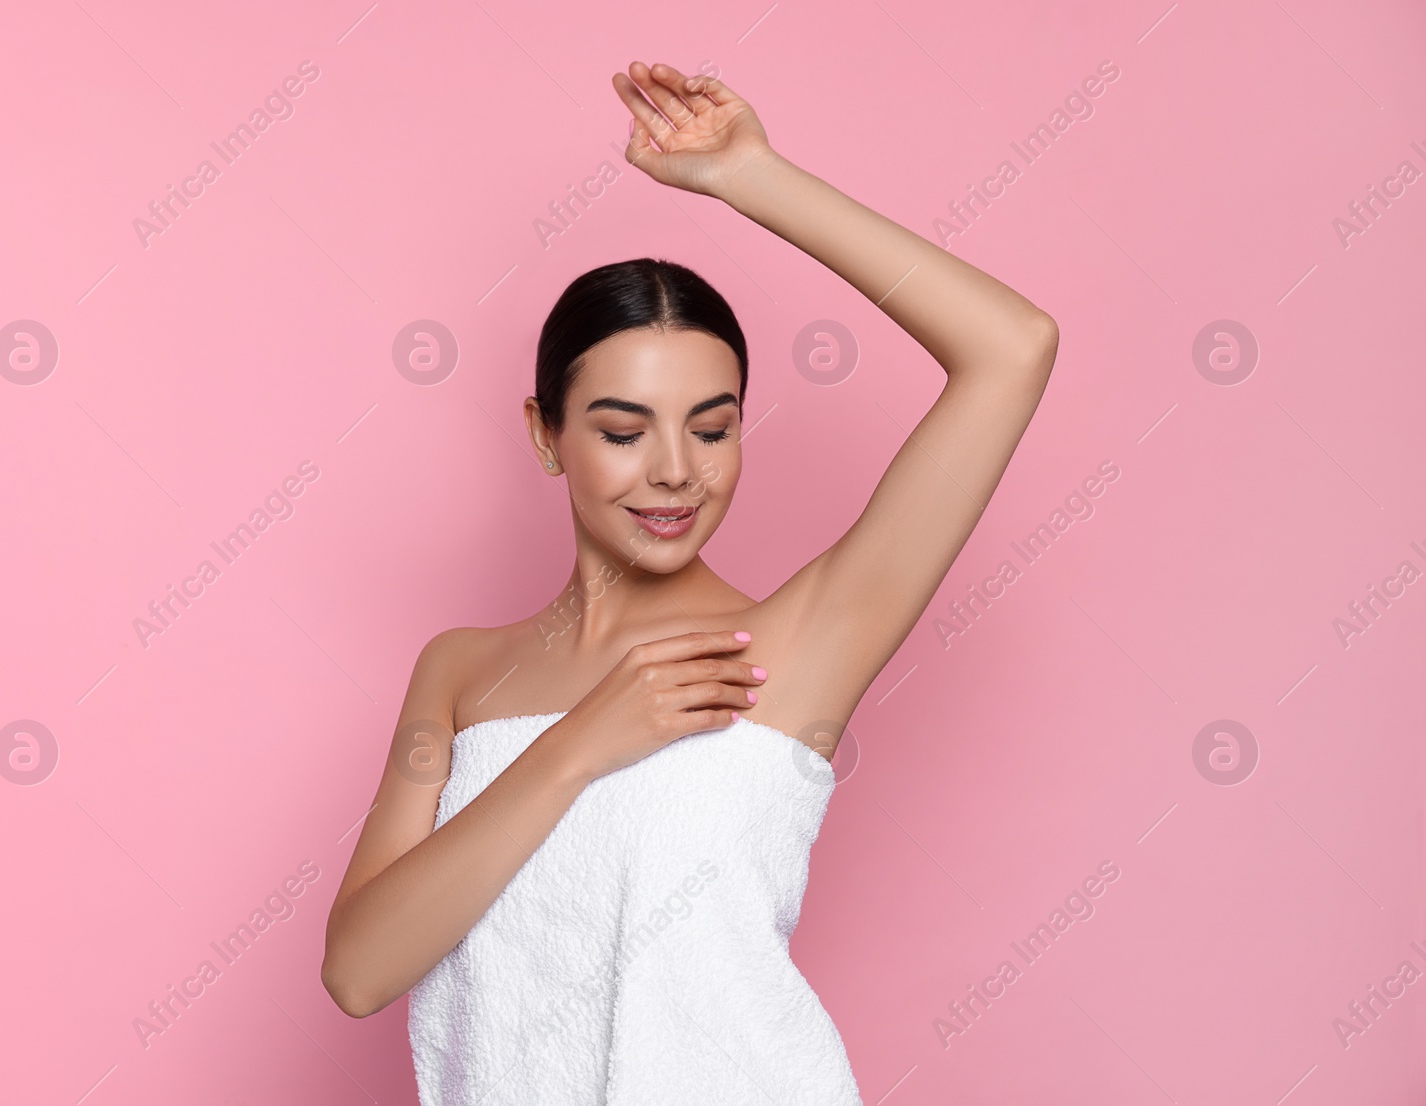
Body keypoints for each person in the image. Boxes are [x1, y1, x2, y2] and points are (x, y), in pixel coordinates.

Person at [322, 60, 1058, 1104]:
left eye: (712, 427)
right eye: (623, 429)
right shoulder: (459, 670)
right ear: (546, 436)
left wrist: (748, 174)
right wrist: (580, 743)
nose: (675, 468)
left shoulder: (790, 648)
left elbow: (1011, 348)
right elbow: (358, 968)